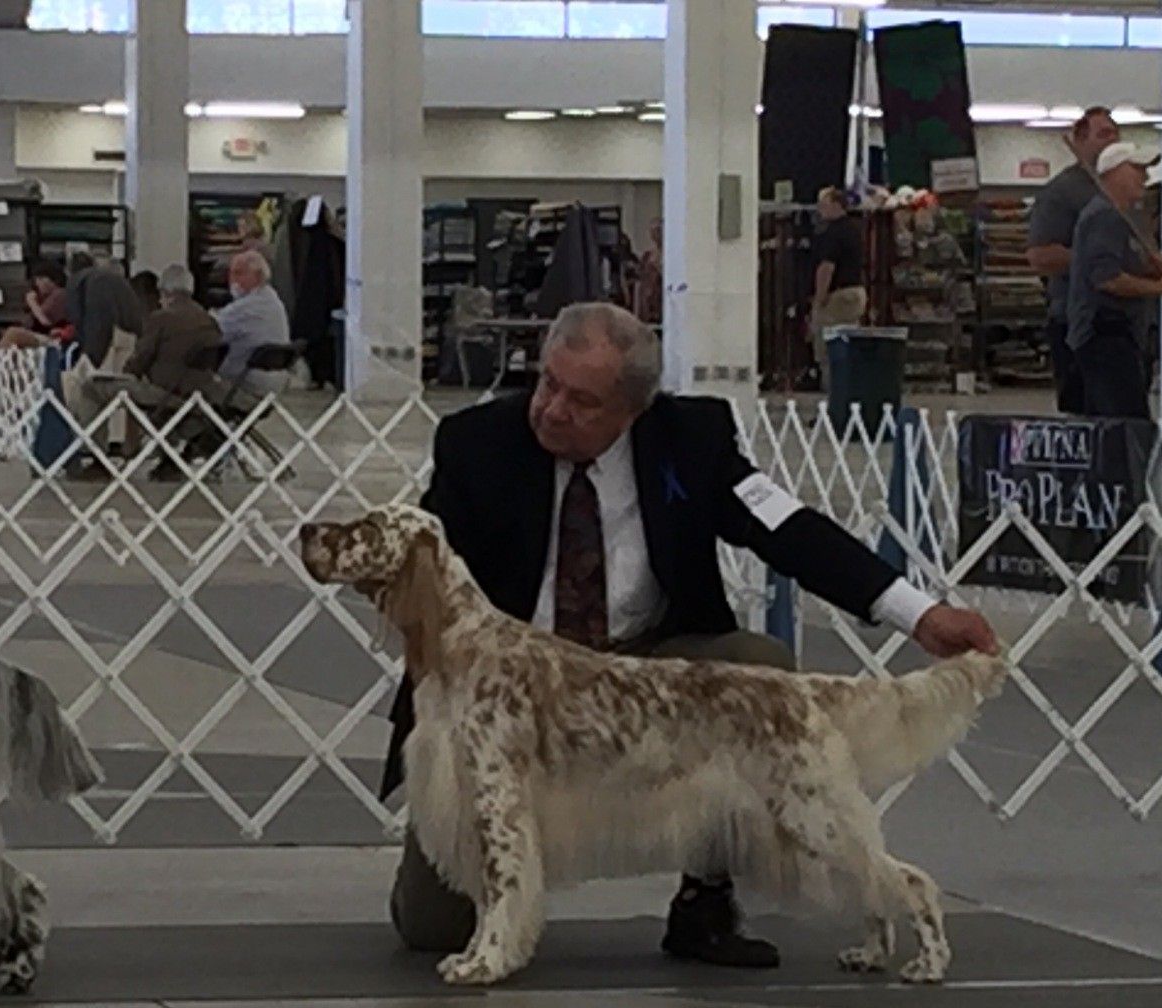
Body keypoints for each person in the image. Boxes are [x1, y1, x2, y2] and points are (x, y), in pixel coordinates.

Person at [385, 301, 999, 968]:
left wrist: (921, 613)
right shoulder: (476, 443)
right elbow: (427, 583)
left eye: (582, 401)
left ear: (634, 409)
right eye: (548, 384)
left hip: (653, 671)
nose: (553, 410)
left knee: (752, 665)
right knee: (431, 925)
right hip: (517, 694)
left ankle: (705, 903)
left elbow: (789, 530)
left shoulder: (692, 438)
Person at [70, 263, 223, 478]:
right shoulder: (209, 321)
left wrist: (125, 371)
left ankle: (96, 456)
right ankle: (158, 454)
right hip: (199, 395)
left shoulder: (161, 318)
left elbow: (138, 362)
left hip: (164, 393)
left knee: (91, 389)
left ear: (166, 293)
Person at [1065, 143, 1162, 420]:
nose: (1144, 177)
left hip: (1120, 335)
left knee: (1118, 421)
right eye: (1137, 169)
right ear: (1114, 172)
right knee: (1125, 424)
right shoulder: (1105, 216)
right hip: (1104, 335)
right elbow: (1106, 278)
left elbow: (1122, 266)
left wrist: (1155, 269)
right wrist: (1160, 288)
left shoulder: (1123, 219)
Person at [1027, 106, 1122, 414]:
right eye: (1104, 134)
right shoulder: (1062, 192)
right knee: (1083, 412)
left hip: (1121, 320)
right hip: (1076, 320)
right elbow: (1039, 256)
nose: (1113, 140)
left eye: (1116, 133)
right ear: (1081, 140)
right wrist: (1093, 263)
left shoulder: (1122, 191)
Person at [809, 187, 866, 394]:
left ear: (835, 205)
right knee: (849, 349)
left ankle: (834, 403)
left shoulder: (832, 233)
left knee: (830, 352)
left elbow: (827, 267)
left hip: (837, 298)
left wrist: (819, 298)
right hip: (856, 294)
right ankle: (852, 399)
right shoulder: (854, 230)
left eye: (823, 204)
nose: (820, 209)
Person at [215, 250, 291, 395]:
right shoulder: (272, 300)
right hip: (277, 379)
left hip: (250, 380)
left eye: (239, 273)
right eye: (231, 273)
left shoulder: (247, 307)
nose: (232, 280)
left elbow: (211, 329)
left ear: (257, 276)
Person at [66, 254, 146, 371]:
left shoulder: (81, 284)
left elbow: (94, 324)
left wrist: (89, 359)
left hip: (106, 348)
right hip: (129, 341)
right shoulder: (112, 280)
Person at [632, 217, 664, 325]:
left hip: (662, 302)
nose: (655, 234)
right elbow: (640, 280)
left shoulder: (669, 255)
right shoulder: (647, 256)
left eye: (658, 230)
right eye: (653, 231)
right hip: (646, 303)